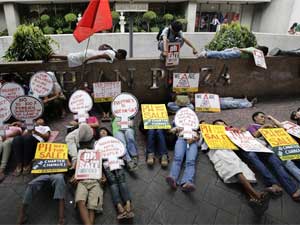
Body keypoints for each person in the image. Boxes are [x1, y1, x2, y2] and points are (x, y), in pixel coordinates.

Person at [202, 120, 270, 213]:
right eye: (217, 125)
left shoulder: (228, 131)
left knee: (242, 171)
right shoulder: (206, 134)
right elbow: (201, 145)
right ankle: (257, 195)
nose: (220, 125)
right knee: (235, 170)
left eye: (221, 123)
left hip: (230, 151)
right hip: (218, 151)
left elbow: (239, 138)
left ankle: (254, 200)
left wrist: (238, 131)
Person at [244, 112, 300, 201]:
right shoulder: (252, 126)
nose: (264, 119)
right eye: (261, 117)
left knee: (284, 164)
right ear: (255, 118)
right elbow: (254, 135)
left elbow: (283, 128)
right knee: (285, 164)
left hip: (281, 146)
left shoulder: (270, 125)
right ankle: (292, 189)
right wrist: (264, 127)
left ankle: (293, 190)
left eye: (264, 117)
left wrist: (272, 120)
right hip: (266, 148)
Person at [99, 127, 134, 220]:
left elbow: (122, 150)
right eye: (100, 132)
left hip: (117, 162)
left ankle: (128, 205)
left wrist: (123, 157)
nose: (102, 132)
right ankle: (120, 207)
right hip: (106, 164)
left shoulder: (114, 140)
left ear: (107, 132)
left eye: (104, 130)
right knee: (113, 183)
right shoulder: (97, 144)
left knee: (122, 180)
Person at [72, 152, 104, 225]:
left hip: (95, 182)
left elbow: (103, 176)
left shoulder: (97, 160)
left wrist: (103, 179)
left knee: (92, 205)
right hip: (82, 182)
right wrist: (73, 179)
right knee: (80, 201)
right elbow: (74, 176)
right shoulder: (79, 161)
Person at [165, 124, 199, 192]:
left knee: (191, 162)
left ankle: (187, 182)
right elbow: (171, 131)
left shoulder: (196, 125)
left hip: (193, 140)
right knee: (177, 159)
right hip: (181, 139)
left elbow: (200, 136)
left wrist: (194, 139)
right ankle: (173, 179)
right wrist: (167, 128)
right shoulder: (179, 124)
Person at [48, 44, 127, 67]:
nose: (120, 59)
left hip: (90, 52)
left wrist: (98, 51)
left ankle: (54, 56)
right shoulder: (112, 54)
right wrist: (88, 59)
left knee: (71, 58)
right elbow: (99, 56)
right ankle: (52, 56)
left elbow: (101, 46)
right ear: (119, 54)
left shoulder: (112, 50)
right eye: (121, 57)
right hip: (87, 56)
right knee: (70, 57)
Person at [198, 46, 269, 59]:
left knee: (221, 53)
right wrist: (240, 49)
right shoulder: (256, 52)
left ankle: (207, 51)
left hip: (237, 51)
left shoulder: (254, 49)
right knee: (222, 54)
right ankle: (206, 53)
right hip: (239, 53)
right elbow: (248, 51)